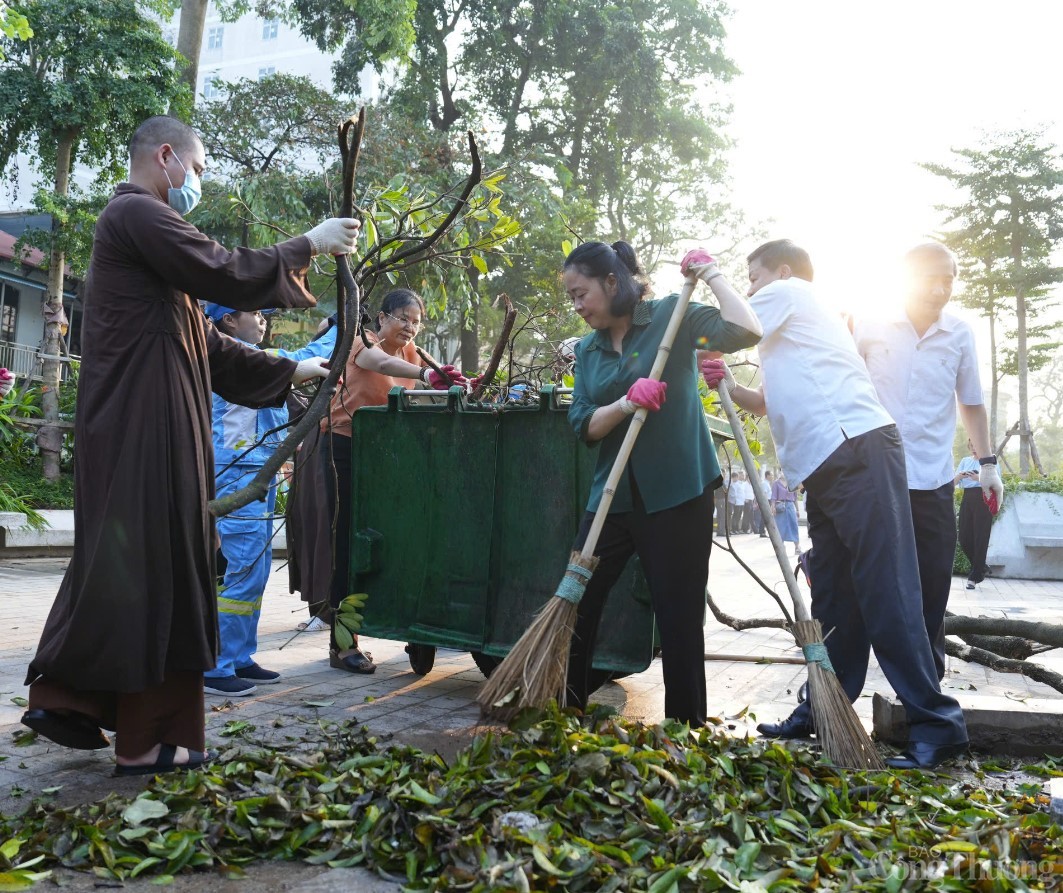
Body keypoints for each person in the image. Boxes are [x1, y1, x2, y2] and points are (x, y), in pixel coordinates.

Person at [20, 115, 355, 775]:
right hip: (141, 428)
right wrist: (306, 245)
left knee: (134, 563)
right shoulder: (136, 213)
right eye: (198, 169)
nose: (197, 182)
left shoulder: (150, 249)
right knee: (156, 566)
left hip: (150, 426)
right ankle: (144, 740)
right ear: (167, 157)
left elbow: (208, 345)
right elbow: (221, 268)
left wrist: (293, 369)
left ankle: (73, 697)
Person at [701, 238, 968, 769]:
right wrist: (727, 381)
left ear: (780, 272)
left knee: (886, 587)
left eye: (752, 277)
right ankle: (826, 710)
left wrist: (710, 277)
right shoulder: (795, 330)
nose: (749, 288)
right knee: (835, 594)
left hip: (854, 450)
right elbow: (769, 402)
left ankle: (937, 725)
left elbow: (727, 326)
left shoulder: (789, 293)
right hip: (827, 461)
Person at [564, 241, 762, 726]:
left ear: (612, 282)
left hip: (678, 492)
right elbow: (583, 423)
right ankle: (563, 713)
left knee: (678, 616)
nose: (577, 306)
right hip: (612, 495)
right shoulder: (588, 350)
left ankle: (686, 731)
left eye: (581, 293)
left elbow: (744, 330)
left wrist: (711, 274)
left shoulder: (673, 317)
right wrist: (625, 404)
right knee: (576, 603)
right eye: (571, 297)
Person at [853, 241, 1003, 680]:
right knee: (857, 583)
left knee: (933, 585)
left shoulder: (959, 334)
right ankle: (839, 685)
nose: (940, 290)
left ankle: (926, 689)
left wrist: (988, 464)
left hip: (932, 480)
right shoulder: (869, 325)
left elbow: (970, 402)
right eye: (930, 279)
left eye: (948, 280)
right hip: (870, 478)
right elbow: (841, 389)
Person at [322, 288, 466, 674]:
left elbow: (414, 400)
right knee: (348, 547)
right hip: (343, 450)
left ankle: (406, 627)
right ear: (382, 317)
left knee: (396, 543)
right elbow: (379, 362)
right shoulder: (361, 342)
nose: (410, 327)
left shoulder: (413, 353)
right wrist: (426, 374)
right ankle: (343, 645)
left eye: (417, 322)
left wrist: (452, 384)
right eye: (403, 318)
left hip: (388, 457)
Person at [203, 304, 338, 696]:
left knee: (256, 569)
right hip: (239, 469)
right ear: (228, 320)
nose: (263, 319)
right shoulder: (237, 358)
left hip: (257, 466)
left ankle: (239, 655)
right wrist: (337, 326)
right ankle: (216, 666)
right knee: (245, 567)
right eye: (254, 313)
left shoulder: (251, 359)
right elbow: (299, 358)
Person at [956, 441, 994, 590]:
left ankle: (974, 576)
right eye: (971, 445)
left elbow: (996, 483)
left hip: (984, 498)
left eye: (976, 444)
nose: (973, 448)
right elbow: (953, 482)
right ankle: (981, 566)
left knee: (981, 537)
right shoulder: (965, 461)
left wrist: (978, 478)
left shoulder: (990, 462)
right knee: (964, 537)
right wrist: (960, 476)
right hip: (967, 498)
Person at [770, 471, 800, 554]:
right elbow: (773, 497)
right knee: (780, 527)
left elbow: (795, 498)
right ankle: (781, 547)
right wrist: (773, 507)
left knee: (794, 525)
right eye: (782, 471)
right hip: (780, 507)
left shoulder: (792, 482)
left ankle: (797, 547)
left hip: (790, 506)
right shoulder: (776, 483)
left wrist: (797, 510)